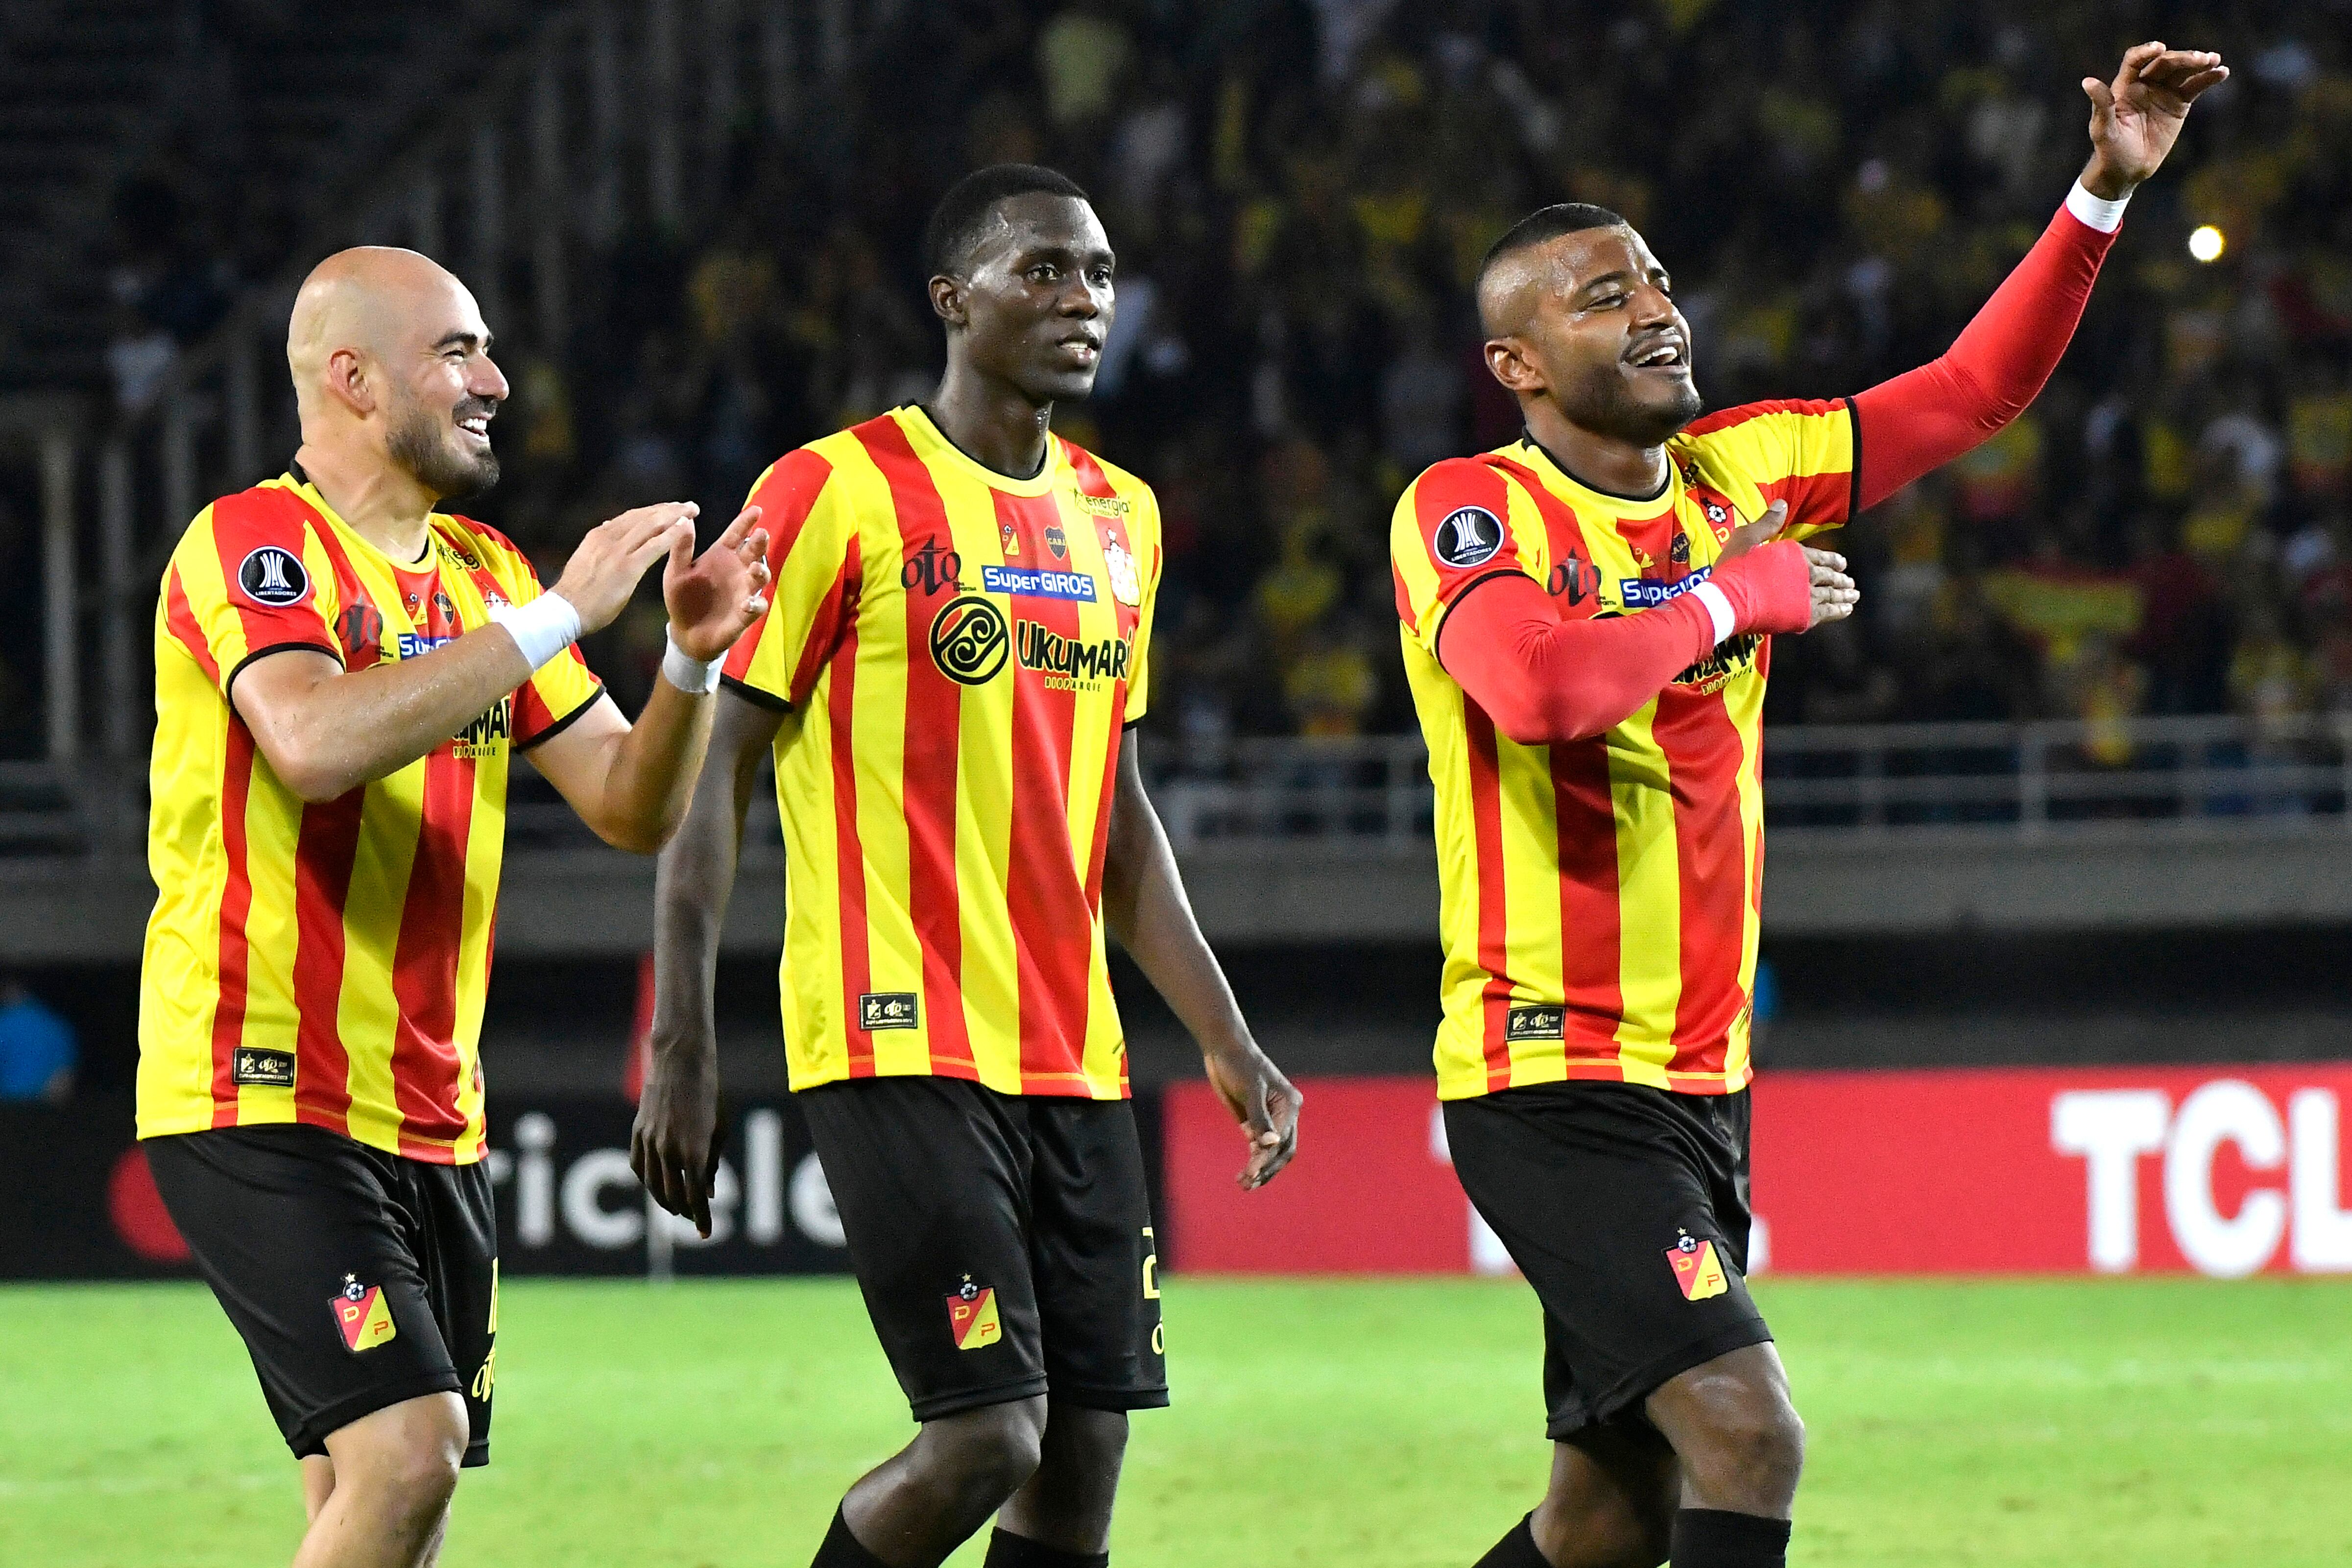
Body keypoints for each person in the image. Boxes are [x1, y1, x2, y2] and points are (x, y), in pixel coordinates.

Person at [1389, 45, 2226, 1568]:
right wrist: (1734, 596)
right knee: (1748, 1431)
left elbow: (1969, 394)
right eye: (1603, 297)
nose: (1656, 308)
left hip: (1700, 1075)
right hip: (1551, 1066)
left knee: (1608, 1511)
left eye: (1655, 280)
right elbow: (1541, 691)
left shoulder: (1738, 467)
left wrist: (2102, 192)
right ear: (1517, 365)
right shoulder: (1470, 507)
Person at [631, 164, 1302, 1568]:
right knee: (987, 1431)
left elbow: (1117, 814)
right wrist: (681, 1036)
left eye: (1099, 273)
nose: (1083, 299)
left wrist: (1225, 1034)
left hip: (1074, 1054)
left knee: (1085, 1452)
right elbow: (714, 776)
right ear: (953, 298)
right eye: (1043, 269)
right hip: (895, 1032)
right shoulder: (834, 489)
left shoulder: (1122, 516)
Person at [138, 245, 771, 1568]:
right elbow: (311, 743)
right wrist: (559, 619)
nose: (494, 381)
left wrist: (688, 666)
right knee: (410, 1450)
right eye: (457, 351)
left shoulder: (486, 572)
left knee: (385, 1510)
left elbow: (630, 806)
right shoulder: (256, 543)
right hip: (262, 1079)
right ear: (354, 379)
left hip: (433, 1106)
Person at [0, 975, 77, 1101]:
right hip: (44, 1102)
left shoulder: (4, 1022)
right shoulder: (53, 1022)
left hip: (9, 1102)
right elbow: (66, 1071)